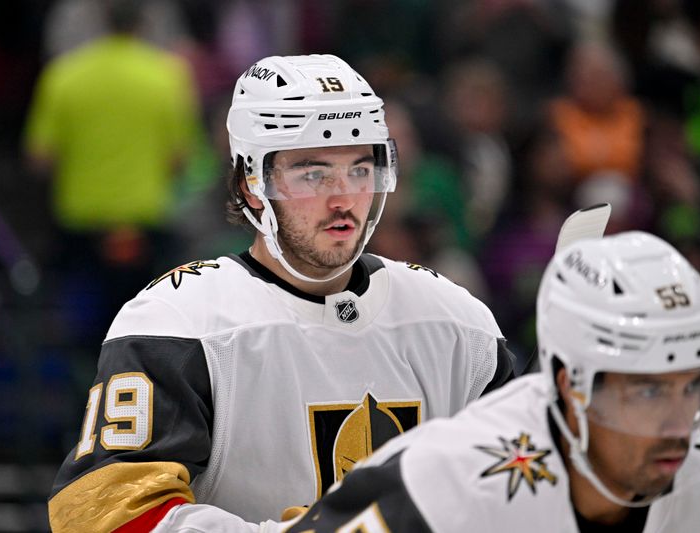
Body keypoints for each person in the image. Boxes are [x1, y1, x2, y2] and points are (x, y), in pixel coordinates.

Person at [47, 53, 515, 532]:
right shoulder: (176, 322)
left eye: (359, 170)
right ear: (252, 185)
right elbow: (101, 514)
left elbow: (522, 492)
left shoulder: (457, 322)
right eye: (313, 174)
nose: (343, 197)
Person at [280, 231, 700, 532]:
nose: (679, 427)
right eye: (648, 391)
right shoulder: (443, 483)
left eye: (693, 388)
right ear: (573, 386)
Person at [23, 0, 206, 333]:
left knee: (79, 327)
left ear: (100, 21)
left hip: (81, 220)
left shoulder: (64, 74)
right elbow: (180, 159)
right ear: (145, 23)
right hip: (146, 219)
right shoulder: (168, 75)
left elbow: (40, 158)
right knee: (143, 325)